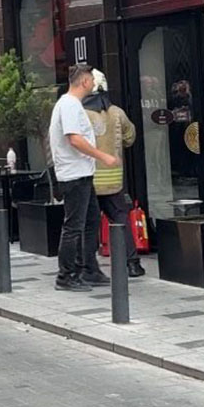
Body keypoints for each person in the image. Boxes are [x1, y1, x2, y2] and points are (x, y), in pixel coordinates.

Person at [49, 64, 120, 292]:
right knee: (74, 226)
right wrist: (103, 156)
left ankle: (88, 268)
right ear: (84, 82)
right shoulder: (69, 105)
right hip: (74, 175)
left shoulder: (71, 104)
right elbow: (75, 139)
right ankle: (66, 275)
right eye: (91, 78)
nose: (94, 83)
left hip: (82, 173)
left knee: (89, 222)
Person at [82, 69, 145, 279]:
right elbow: (130, 137)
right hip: (113, 180)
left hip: (89, 179)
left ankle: (88, 267)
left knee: (88, 225)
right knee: (120, 220)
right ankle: (133, 264)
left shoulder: (81, 114)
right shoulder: (117, 112)